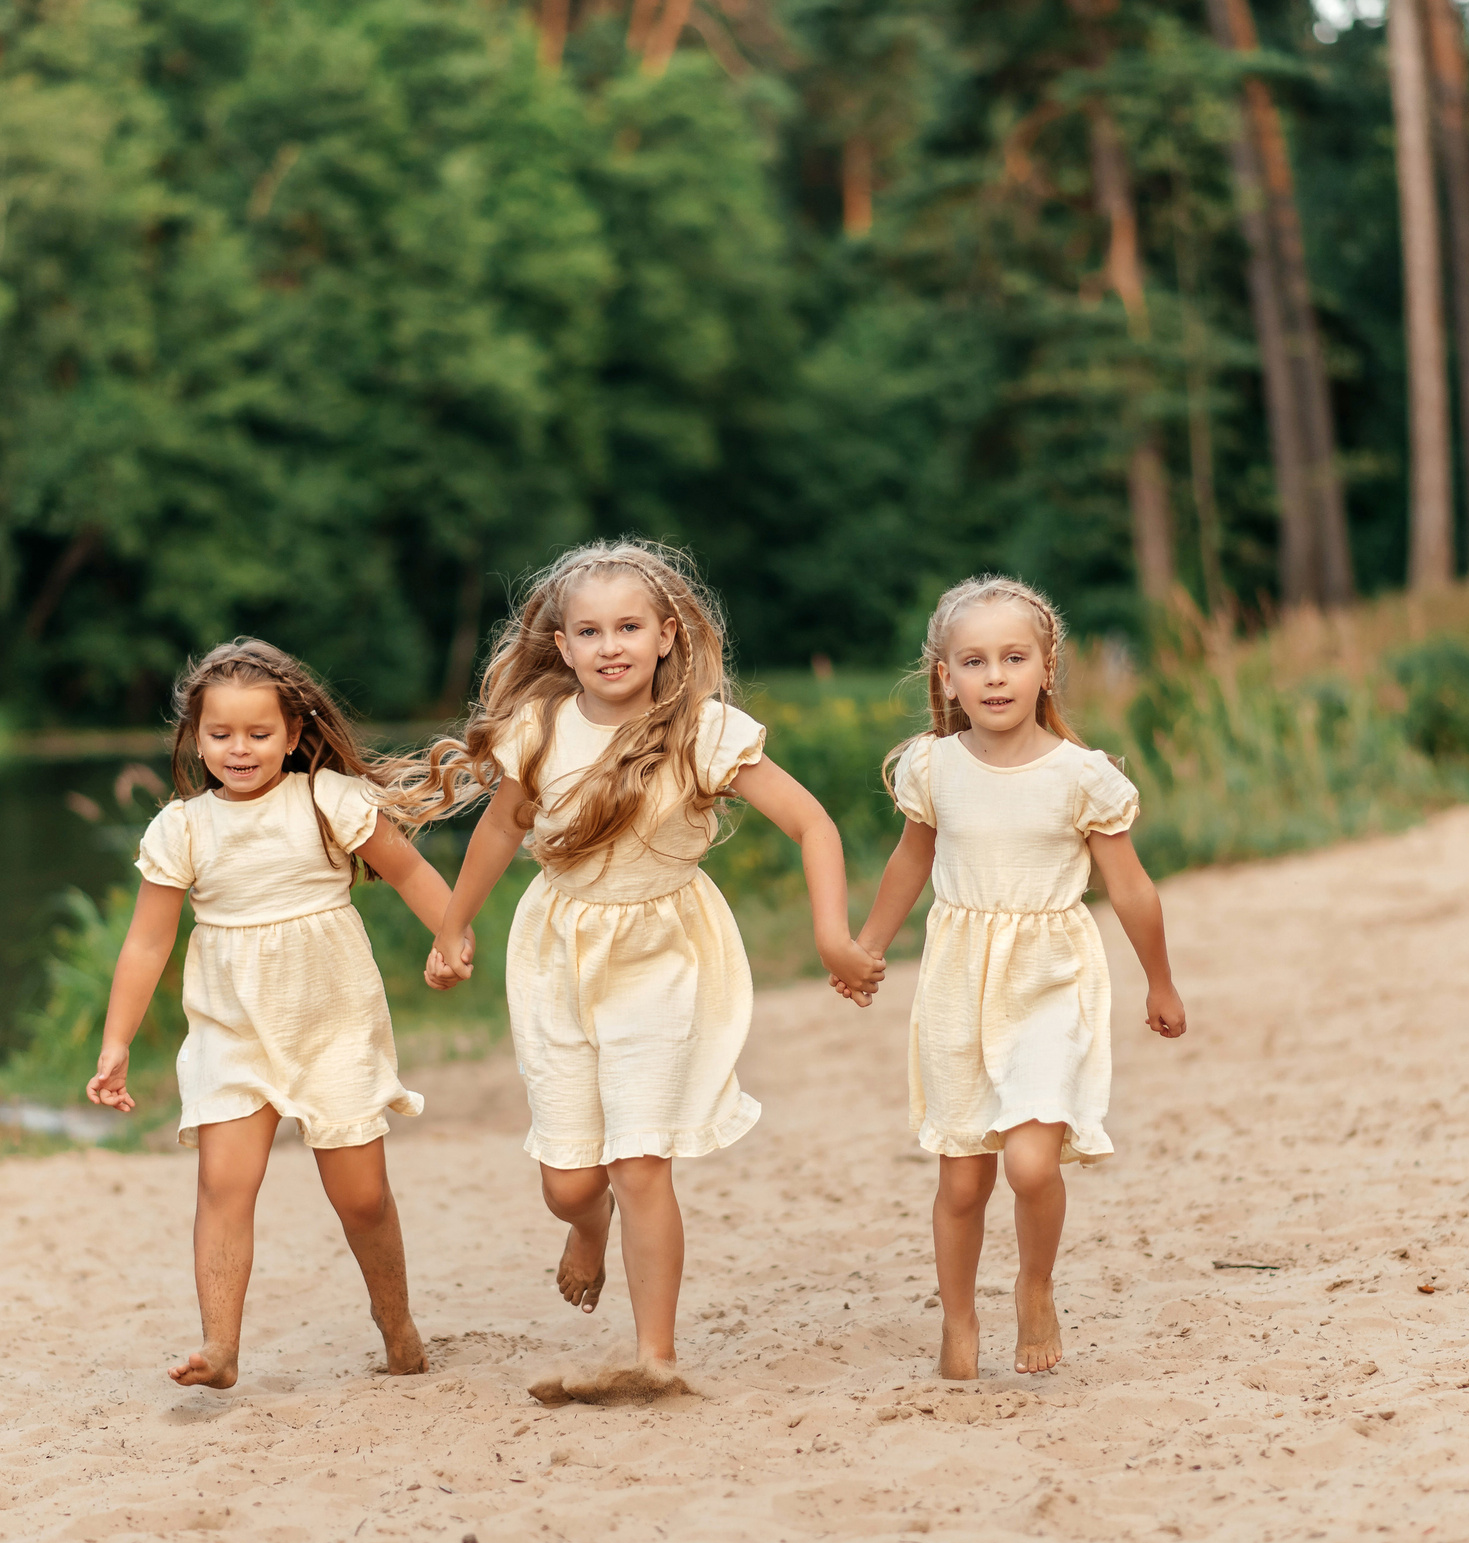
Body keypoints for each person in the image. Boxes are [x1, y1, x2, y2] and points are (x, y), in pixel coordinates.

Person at [400, 539, 884, 1389]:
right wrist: (452, 925)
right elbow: (502, 827)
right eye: (589, 631)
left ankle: (655, 1354)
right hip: (558, 956)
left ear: (667, 636)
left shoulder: (704, 732)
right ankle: (587, 1227)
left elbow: (813, 824)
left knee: (640, 1159)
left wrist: (831, 933)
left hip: (665, 957)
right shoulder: (540, 729)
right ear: (563, 646)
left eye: (629, 627)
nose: (610, 645)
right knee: (569, 1181)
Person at [87, 638, 455, 1387]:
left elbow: (411, 870)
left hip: (332, 1026)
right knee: (223, 1187)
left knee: (362, 1198)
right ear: (195, 738)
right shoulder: (182, 828)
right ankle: (220, 1347)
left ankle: (396, 1323)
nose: (239, 748)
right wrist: (116, 1040)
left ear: (292, 735)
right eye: (220, 733)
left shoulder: (328, 800)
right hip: (231, 1033)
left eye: (259, 733)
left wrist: (452, 937)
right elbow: (147, 943)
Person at [851, 577, 1187, 1380]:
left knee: (1032, 1164)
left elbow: (1132, 888)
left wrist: (1161, 982)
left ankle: (1035, 1284)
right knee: (964, 1178)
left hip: (1049, 979)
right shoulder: (933, 766)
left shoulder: (1082, 776)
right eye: (974, 661)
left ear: (1047, 668)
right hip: (958, 983)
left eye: (1013, 658)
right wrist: (867, 946)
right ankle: (958, 1318)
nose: (995, 676)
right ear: (946, 677)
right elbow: (910, 862)